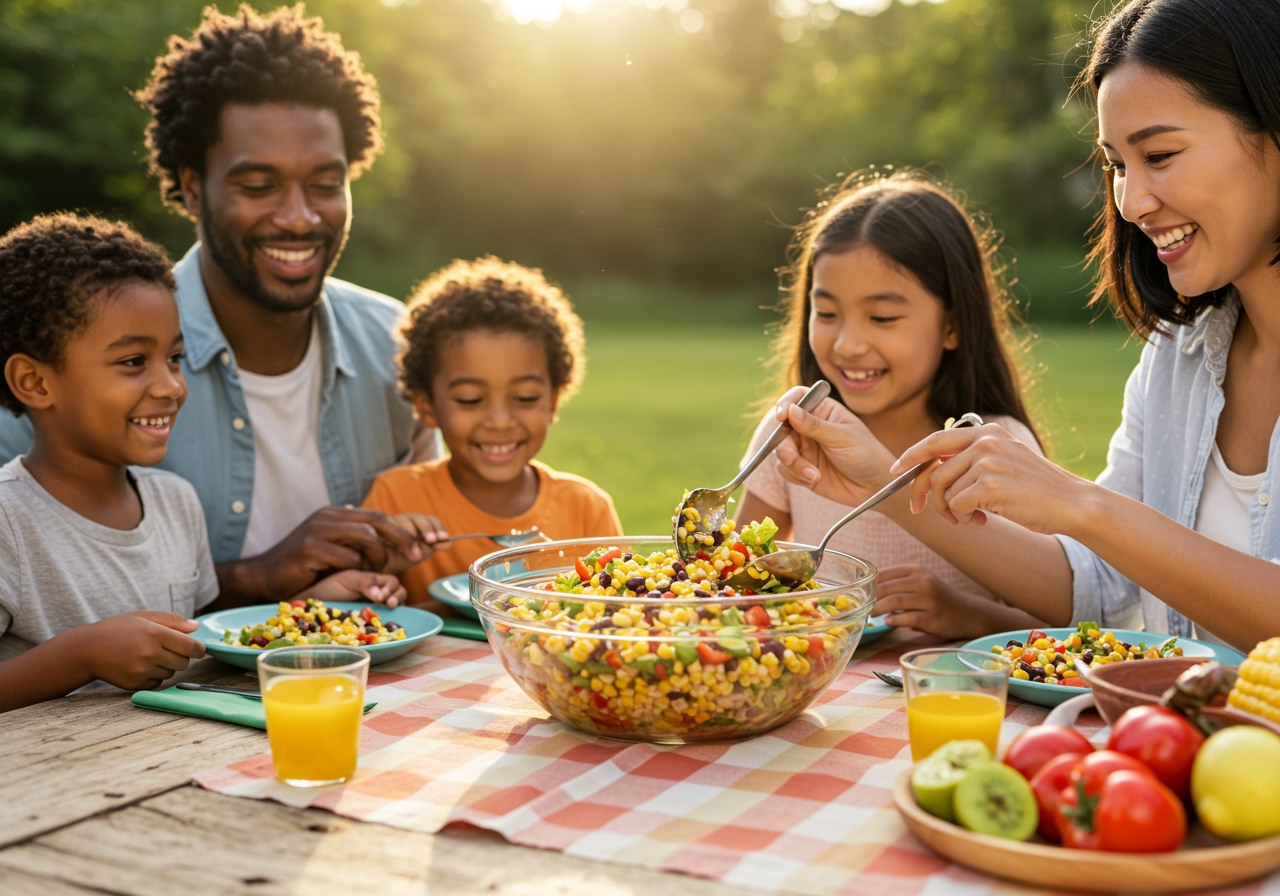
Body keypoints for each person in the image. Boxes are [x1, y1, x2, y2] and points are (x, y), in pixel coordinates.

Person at [769, 0, 1280, 653]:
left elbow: (1105, 533)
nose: (1131, 201)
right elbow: (1094, 585)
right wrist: (881, 481)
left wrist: (1082, 506)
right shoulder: (1178, 355)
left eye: (1159, 154)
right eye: (1118, 165)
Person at [0, 5, 438, 604]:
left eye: (326, 185)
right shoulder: (69, 352)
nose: (299, 217)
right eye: (258, 187)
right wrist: (258, 577)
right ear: (189, 186)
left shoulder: (401, 346)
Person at [0, 214, 405, 713]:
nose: (171, 385)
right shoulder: (8, 520)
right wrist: (81, 656)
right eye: (132, 362)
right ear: (35, 382)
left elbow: (198, 630)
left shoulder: (174, 501)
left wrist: (309, 606)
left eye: (174, 358)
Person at [736, 171, 1048, 639]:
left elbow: (1063, 614)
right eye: (826, 313)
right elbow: (733, 577)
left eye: (882, 317)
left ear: (952, 326)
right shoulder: (795, 436)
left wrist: (971, 615)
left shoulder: (990, 448)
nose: (847, 344)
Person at [361, 257, 623, 610]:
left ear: (552, 402)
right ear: (426, 404)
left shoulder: (586, 509)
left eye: (525, 398)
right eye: (470, 400)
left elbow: (618, 609)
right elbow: (358, 609)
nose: (500, 421)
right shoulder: (395, 499)